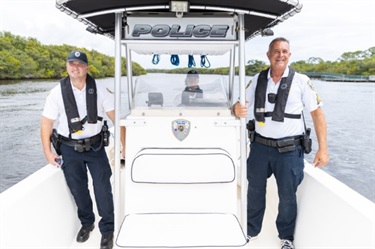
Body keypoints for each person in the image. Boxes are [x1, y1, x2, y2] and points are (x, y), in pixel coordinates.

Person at [233, 37, 329, 249]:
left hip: (289, 151)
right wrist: (236, 109)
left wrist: (323, 148)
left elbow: (317, 114)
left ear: (289, 55)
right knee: (255, 191)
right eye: (276, 51)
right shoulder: (256, 80)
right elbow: (240, 104)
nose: (280, 55)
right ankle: (251, 231)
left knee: (287, 196)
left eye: (284, 51)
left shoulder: (301, 81)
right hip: (259, 148)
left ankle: (286, 238)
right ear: (268, 55)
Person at [40, 50, 120, 249]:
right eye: (71, 63)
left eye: (80, 64)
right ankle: (87, 223)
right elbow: (46, 124)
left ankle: (107, 230)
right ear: (67, 66)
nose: (75, 67)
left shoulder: (101, 90)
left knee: (103, 189)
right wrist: (48, 153)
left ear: (87, 67)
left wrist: (124, 147)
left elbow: (118, 120)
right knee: (78, 190)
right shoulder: (57, 92)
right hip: (68, 148)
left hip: (95, 146)